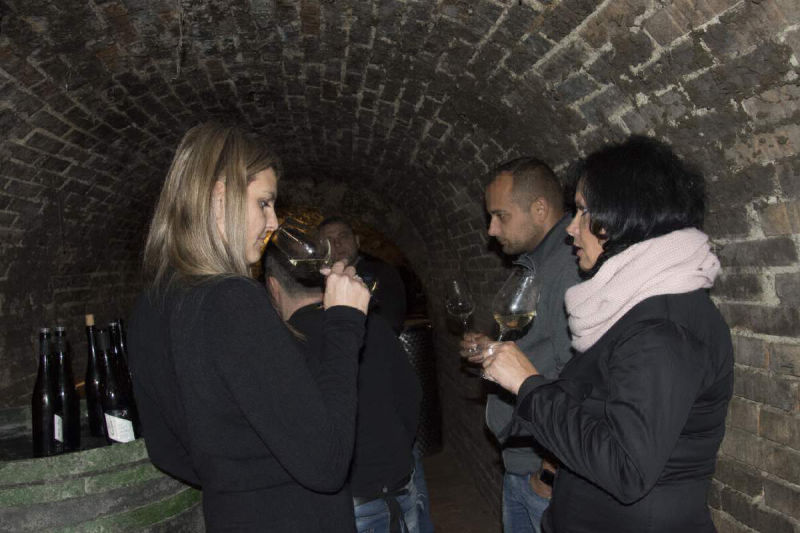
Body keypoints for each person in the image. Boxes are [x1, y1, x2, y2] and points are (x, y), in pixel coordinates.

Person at [126, 122, 371, 531]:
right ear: (219, 197)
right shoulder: (232, 299)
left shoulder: (150, 306)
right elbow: (327, 463)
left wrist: (237, 476)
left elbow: (166, 452)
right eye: (264, 203)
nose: (273, 221)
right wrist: (344, 322)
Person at [482, 136, 733, 532]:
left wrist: (528, 385)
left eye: (583, 211)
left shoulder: (663, 327)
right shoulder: (631, 306)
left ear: (623, 216)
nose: (571, 229)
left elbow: (625, 466)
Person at [263, 247, 425, 533]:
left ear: (273, 286)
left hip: (343, 509)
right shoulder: (372, 324)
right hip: (398, 491)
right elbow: (410, 399)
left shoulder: (277, 348)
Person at [461, 158, 580, 533]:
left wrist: (550, 473)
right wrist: (492, 348)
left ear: (539, 209)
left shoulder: (568, 268)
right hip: (523, 465)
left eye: (500, 216)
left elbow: (577, 379)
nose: (491, 229)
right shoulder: (535, 264)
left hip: (543, 474)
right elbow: (540, 346)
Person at [318, 216, 407, 334]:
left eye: (343, 236)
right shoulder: (316, 280)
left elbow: (390, 324)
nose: (337, 244)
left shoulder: (381, 272)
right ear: (321, 249)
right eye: (329, 240)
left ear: (357, 241)